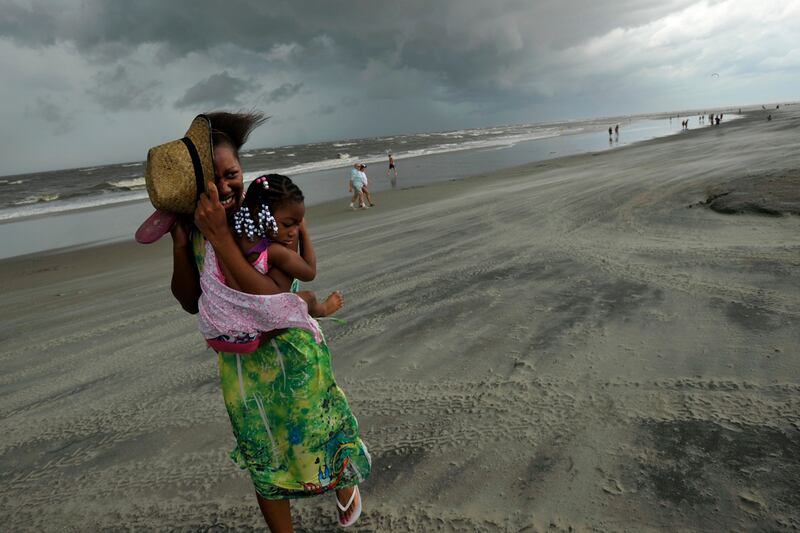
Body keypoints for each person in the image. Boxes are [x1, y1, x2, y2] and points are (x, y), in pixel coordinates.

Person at [171, 111, 371, 531]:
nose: (226, 186)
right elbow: (191, 301)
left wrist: (222, 239)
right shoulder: (196, 232)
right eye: (216, 178)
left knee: (319, 429)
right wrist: (179, 243)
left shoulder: (263, 218)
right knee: (263, 454)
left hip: (291, 352)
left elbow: (275, 297)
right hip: (243, 366)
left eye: (233, 174)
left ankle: (343, 481)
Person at [198, 174, 344, 354]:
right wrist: (304, 231)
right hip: (247, 338)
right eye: (288, 224)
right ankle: (321, 310)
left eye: (297, 225)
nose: (292, 231)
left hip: (214, 331)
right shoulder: (275, 251)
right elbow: (309, 272)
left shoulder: (233, 229)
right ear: (260, 212)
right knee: (309, 297)